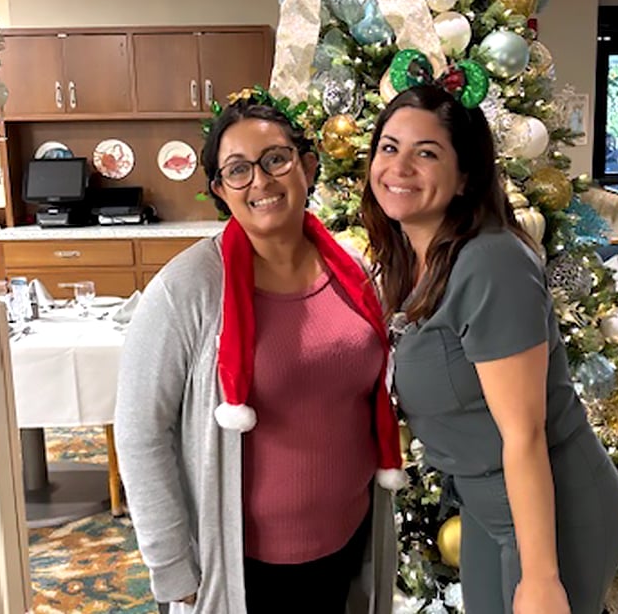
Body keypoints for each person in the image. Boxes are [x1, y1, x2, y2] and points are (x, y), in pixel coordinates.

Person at [115, 90, 404, 614]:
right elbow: (140, 432)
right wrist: (170, 565)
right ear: (220, 191)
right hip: (244, 566)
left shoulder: (353, 272)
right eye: (238, 170)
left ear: (307, 166)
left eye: (275, 159)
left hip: (346, 541)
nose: (262, 182)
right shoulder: (187, 289)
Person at [361, 84, 618, 614]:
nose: (399, 167)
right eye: (389, 148)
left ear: (465, 178)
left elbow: (524, 434)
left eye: (427, 153)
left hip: (554, 511)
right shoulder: (409, 263)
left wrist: (541, 578)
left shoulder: (490, 264)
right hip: (489, 507)